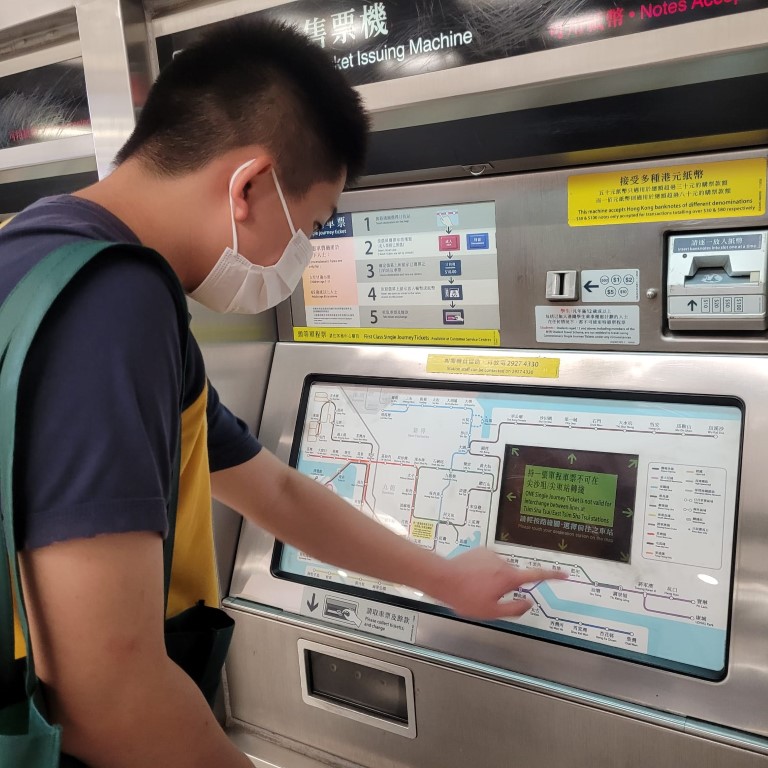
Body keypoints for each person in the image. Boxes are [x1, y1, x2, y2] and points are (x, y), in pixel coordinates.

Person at [0, 19, 565, 768]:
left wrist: (444, 577)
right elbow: (106, 694)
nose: (301, 255)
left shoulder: (36, 254)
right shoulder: (113, 302)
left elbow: (273, 490)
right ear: (250, 187)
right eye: (314, 224)